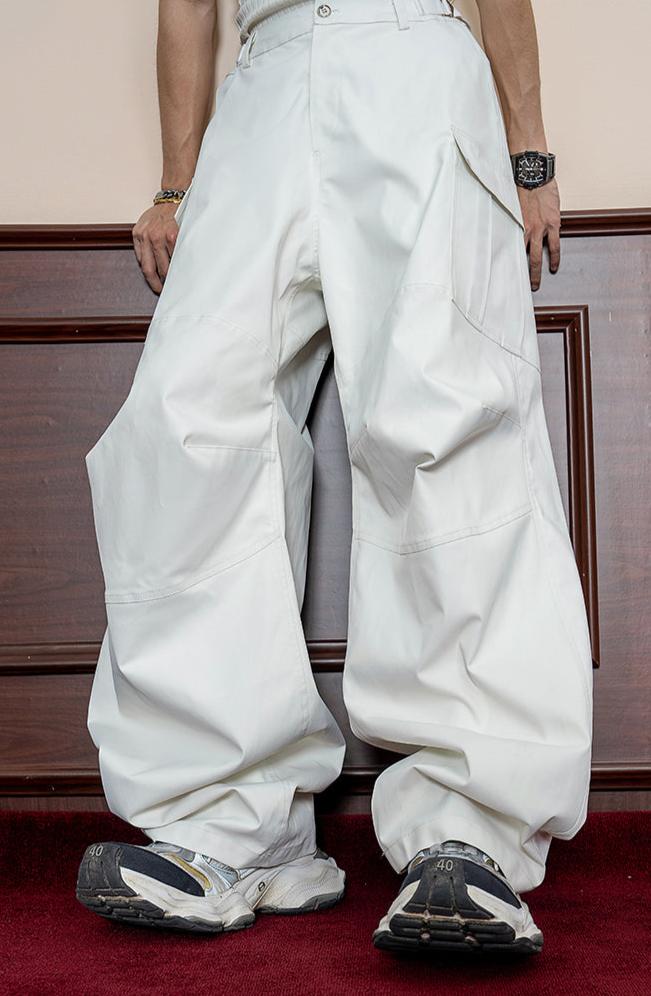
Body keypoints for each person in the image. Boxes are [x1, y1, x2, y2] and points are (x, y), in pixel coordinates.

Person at [76, 0, 594, 955]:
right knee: (185, 432)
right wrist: (177, 185)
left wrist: (529, 158)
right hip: (262, 84)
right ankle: (233, 825)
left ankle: (469, 829)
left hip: (415, 64)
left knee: (442, 426)